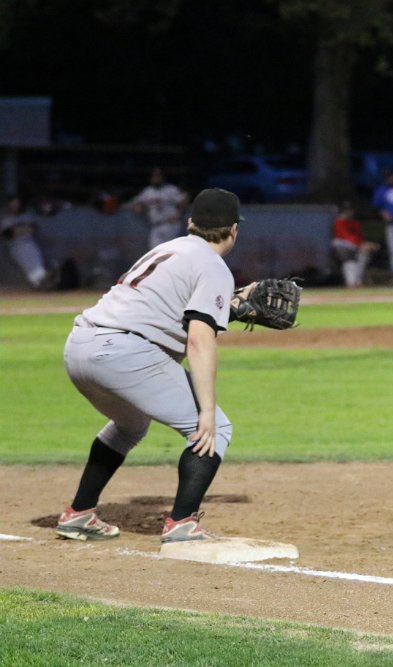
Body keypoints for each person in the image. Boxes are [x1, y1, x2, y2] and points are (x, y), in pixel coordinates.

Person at [55, 188, 251, 544]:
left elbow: (167, 309)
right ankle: (182, 524)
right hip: (123, 353)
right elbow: (199, 340)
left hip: (80, 347)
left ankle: (79, 513)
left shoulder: (168, 249)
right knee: (215, 429)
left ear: (190, 222)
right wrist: (206, 412)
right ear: (234, 230)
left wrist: (232, 306)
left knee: (130, 425)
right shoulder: (214, 266)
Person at [1, 195, 55, 289]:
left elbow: (32, 229)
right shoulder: (6, 219)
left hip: (30, 243)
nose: (15, 206)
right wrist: (21, 229)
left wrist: (18, 229)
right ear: (9, 205)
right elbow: (8, 234)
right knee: (29, 264)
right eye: (13, 204)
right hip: (16, 245)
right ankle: (40, 282)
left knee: (38, 261)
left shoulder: (26, 216)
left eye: (17, 203)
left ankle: (42, 283)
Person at [130, 167, 189, 249]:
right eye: (154, 176)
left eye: (158, 175)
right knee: (155, 251)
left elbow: (185, 198)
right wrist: (140, 207)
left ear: (163, 177)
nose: (156, 178)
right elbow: (136, 204)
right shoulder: (147, 191)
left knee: (170, 250)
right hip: (155, 226)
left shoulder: (170, 189)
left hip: (170, 224)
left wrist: (179, 213)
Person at [330, 201, 380, 288]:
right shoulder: (339, 222)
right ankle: (354, 281)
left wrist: (366, 244)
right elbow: (346, 237)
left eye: (349, 210)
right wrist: (364, 245)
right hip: (343, 246)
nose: (348, 212)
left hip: (354, 246)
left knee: (363, 255)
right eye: (345, 210)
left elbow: (359, 237)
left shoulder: (355, 222)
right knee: (352, 258)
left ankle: (358, 280)